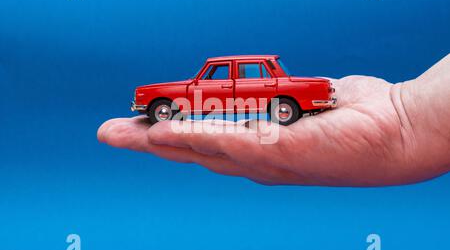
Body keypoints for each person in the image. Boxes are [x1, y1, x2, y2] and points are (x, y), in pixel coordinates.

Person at [97, 54, 450, 187]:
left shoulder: (276, 89)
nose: (209, 79)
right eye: (214, 74)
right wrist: (409, 117)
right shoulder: (275, 83)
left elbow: (286, 106)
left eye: (212, 75)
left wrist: (410, 118)